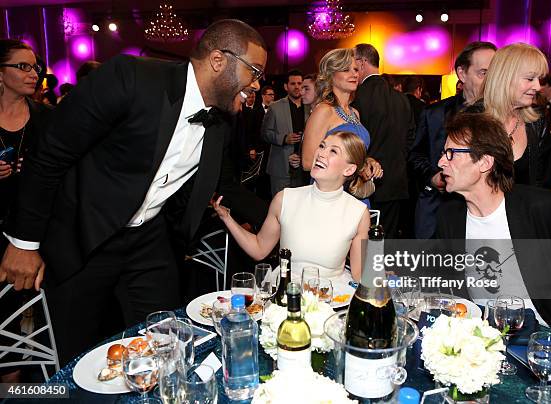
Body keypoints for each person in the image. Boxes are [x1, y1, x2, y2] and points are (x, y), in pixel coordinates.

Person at [0, 19, 268, 365]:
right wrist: (25, 240)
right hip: (85, 237)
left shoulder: (221, 122)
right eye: (254, 71)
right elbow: (51, 152)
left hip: (149, 244)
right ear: (218, 60)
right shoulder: (131, 78)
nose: (257, 84)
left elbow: (221, 186)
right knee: (80, 357)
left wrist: (283, 214)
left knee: (166, 347)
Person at [435, 112, 551, 340]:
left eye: (451, 154)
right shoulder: (450, 217)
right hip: (483, 339)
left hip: (547, 337)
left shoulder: (540, 209)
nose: (440, 162)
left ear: (485, 162)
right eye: (443, 153)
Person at [214, 131, 370, 284]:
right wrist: (227, 218)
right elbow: (259, 249)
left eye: (333, 151)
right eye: (322, 146)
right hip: (285, 292)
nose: (321, 153)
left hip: (333, 298)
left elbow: (361, 275)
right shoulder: (285, 199)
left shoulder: (358, 213)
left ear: (349, 169)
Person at [0, 38, 52, 384]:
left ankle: (21, 387)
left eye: (35, 66)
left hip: (34, 235)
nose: (33, 73)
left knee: (24, 326)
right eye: (22, 66)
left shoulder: (47, 118)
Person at [409, 41, 496, 238]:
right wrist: (433, 176)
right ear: (462, 74)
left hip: (486, 215)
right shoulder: (435, 113)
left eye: (494, 72)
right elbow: (415, 155)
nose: (490, 80)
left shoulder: (502, 118)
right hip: (437, 208)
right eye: (483, 73)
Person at [301, 49, 382, 206]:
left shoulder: (354, 113)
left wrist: (368, 161)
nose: (354, 74)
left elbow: (352, 152)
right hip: (331, 196)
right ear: (331, 75)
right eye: (346, 69)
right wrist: (358, 167)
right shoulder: (324, 110)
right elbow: (307, 161)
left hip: (356, 193)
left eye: (356, 69)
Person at [469, 43, 551, 188]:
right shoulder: (471, 119)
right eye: (530, 78)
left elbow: (541, 182)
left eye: (539, 79)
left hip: (525, 209)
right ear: (505, 77)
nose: (538, 87)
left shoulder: (538, 121)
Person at [353, 43, 415, 238]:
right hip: (395, 182)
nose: (352, 71)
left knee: (361, 243)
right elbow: (410, 138)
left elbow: (354, 140)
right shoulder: (402, 99)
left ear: (362, 63)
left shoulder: (357, 97)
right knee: (385, 242)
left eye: (354, 65)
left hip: (365, 182)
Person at [261, 69, 311, 194]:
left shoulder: (310, 107)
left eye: (300, 84)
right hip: (281, 167)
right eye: (293, 84)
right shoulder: (275, 107)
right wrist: (283, 139)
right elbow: (265, 132)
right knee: (280, 207)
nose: (297, 87)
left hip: (304, 168)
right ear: (286, 86)